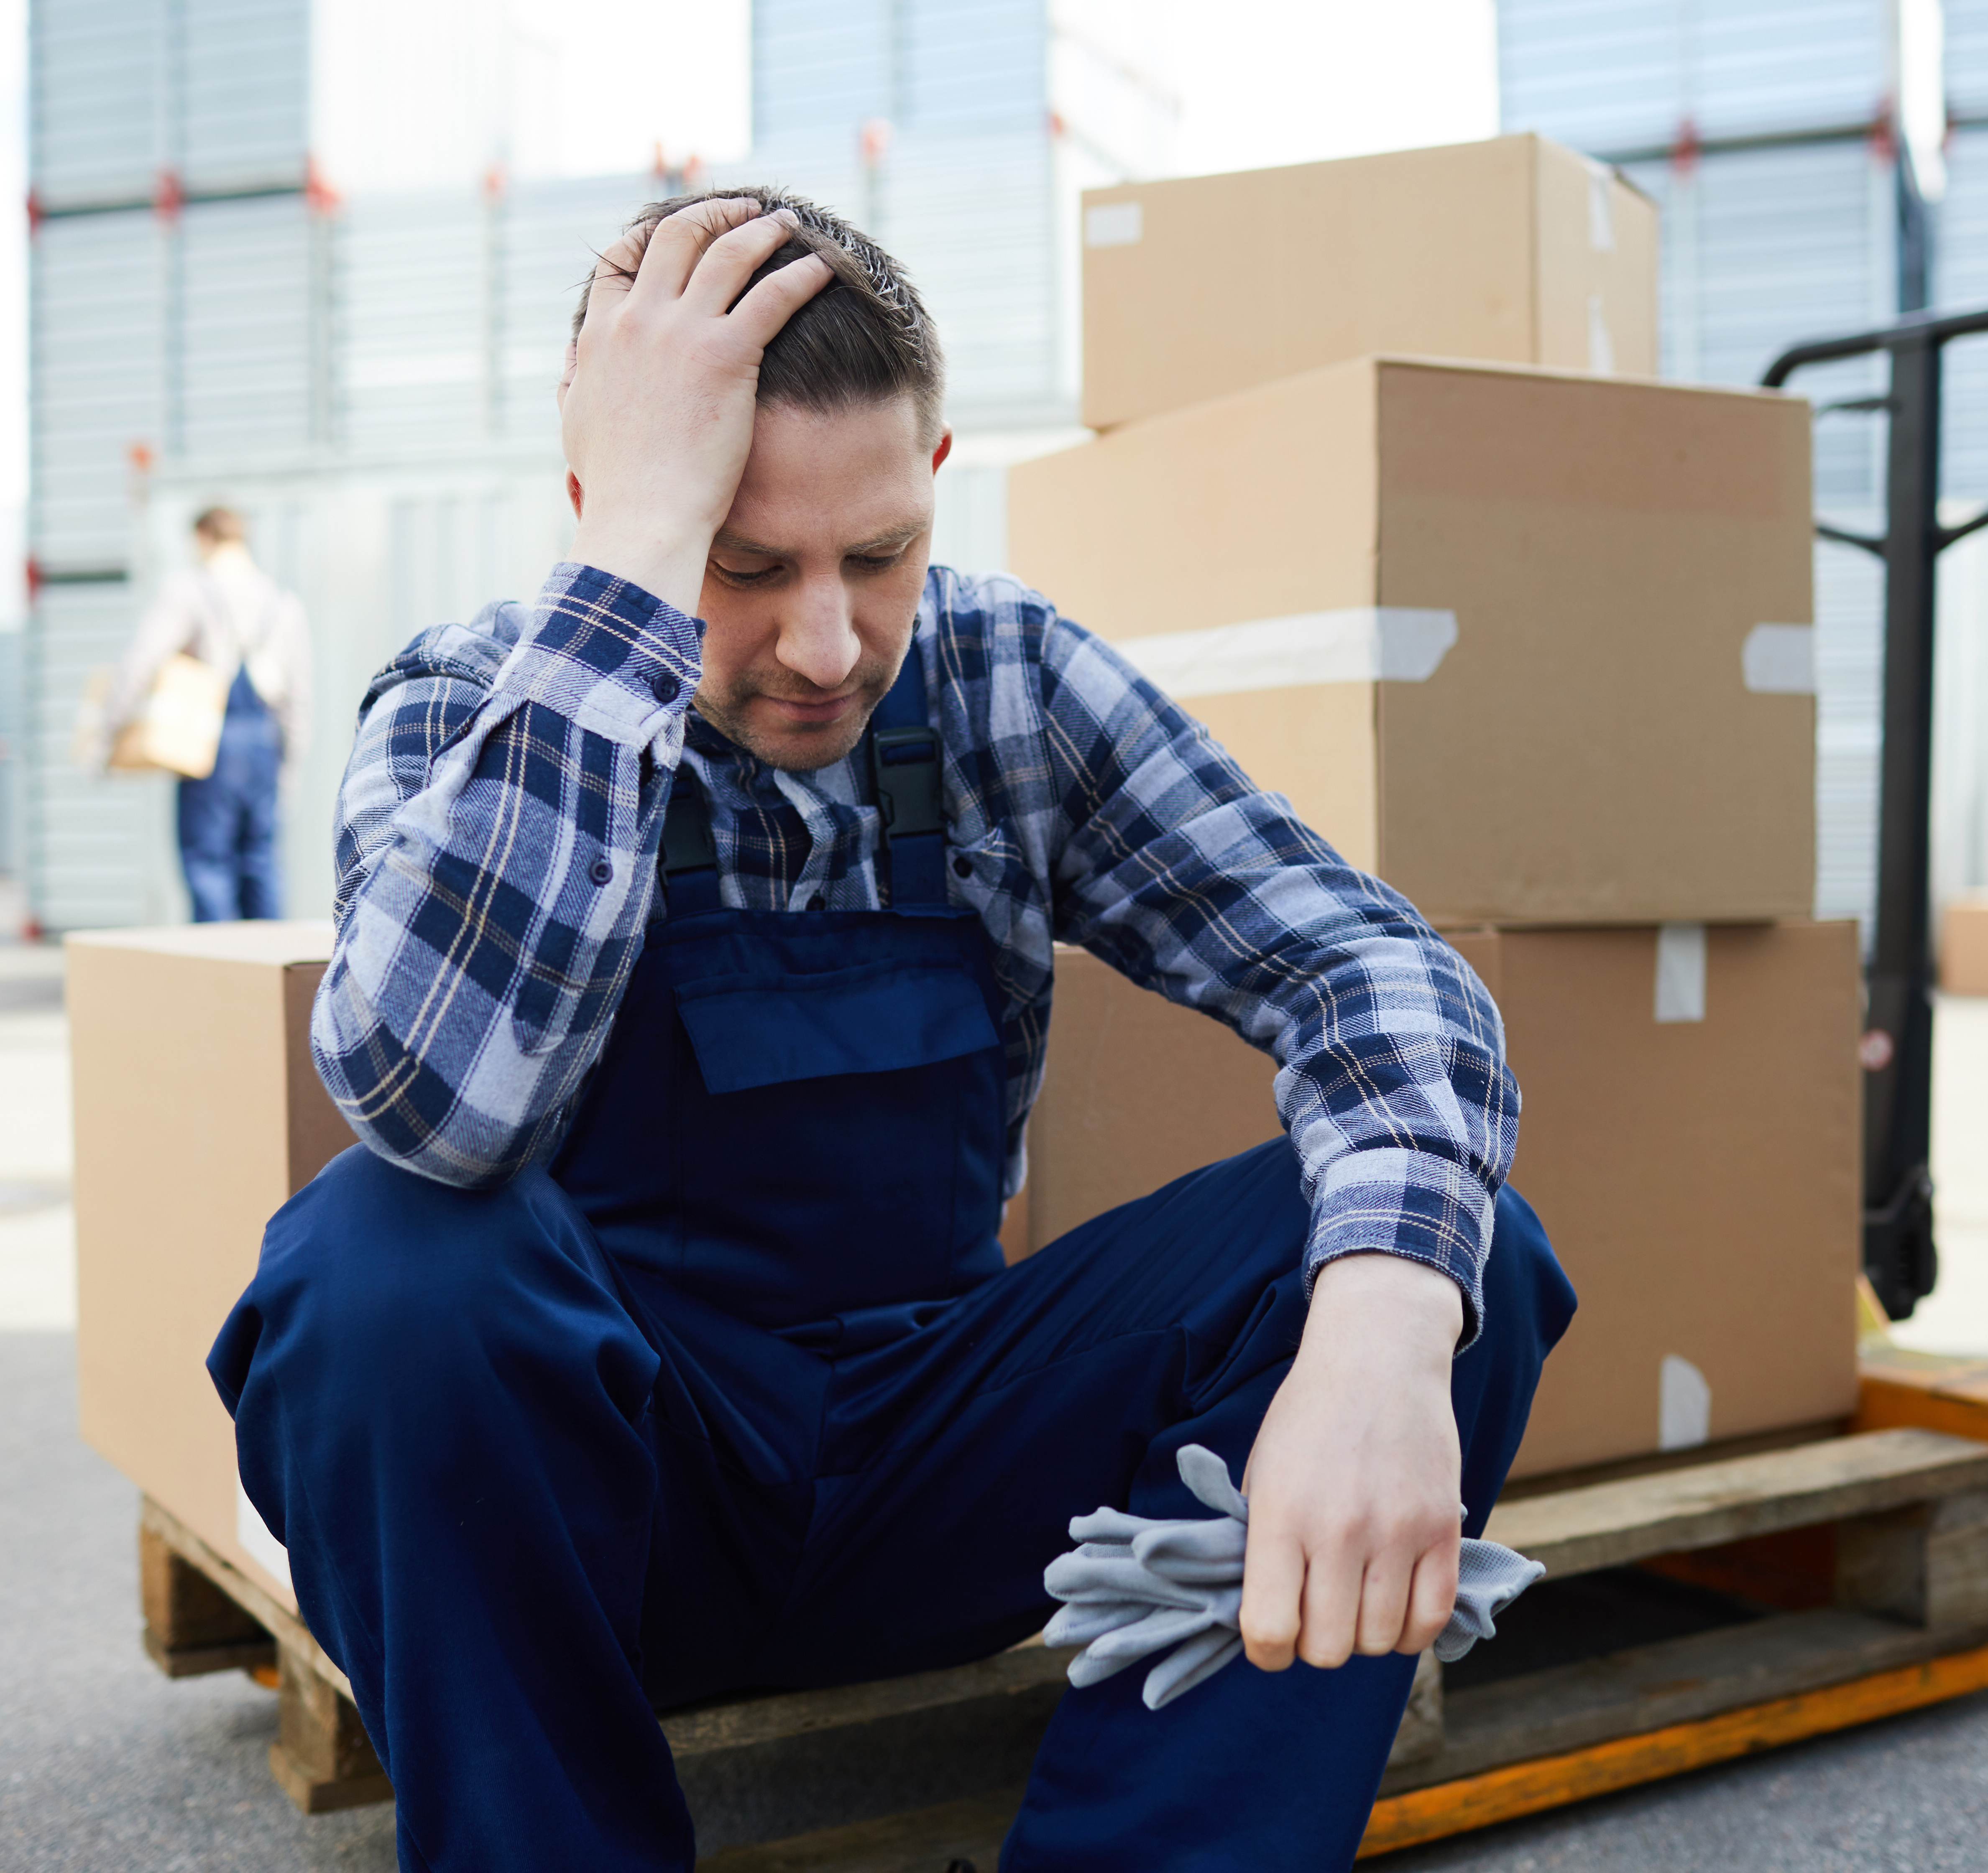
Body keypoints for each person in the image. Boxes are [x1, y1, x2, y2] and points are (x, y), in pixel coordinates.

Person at [208, 190, 1575, 1872]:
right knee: (378, 1264)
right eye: (742, 564)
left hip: (944, 1462)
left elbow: (1371, 972)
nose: (827, 642)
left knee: (1451, 1248)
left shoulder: (1006, 678)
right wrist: (632, 579)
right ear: (603, 507)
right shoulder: (470, 703)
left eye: (878, 555)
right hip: (617, 1509)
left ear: (935, 479)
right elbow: (432, 1107)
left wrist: (1375, 1343)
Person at [106, 506, 312, 921]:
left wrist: (109, 730)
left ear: (202, 538)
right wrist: (290, 768)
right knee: (261, 863)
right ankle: (269, 972)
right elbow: (299, 698)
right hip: (264, 742)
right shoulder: (283, 602)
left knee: (208, 865)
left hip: (210, 741)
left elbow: (141, 662)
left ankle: (223, 975)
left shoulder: (190, 590)